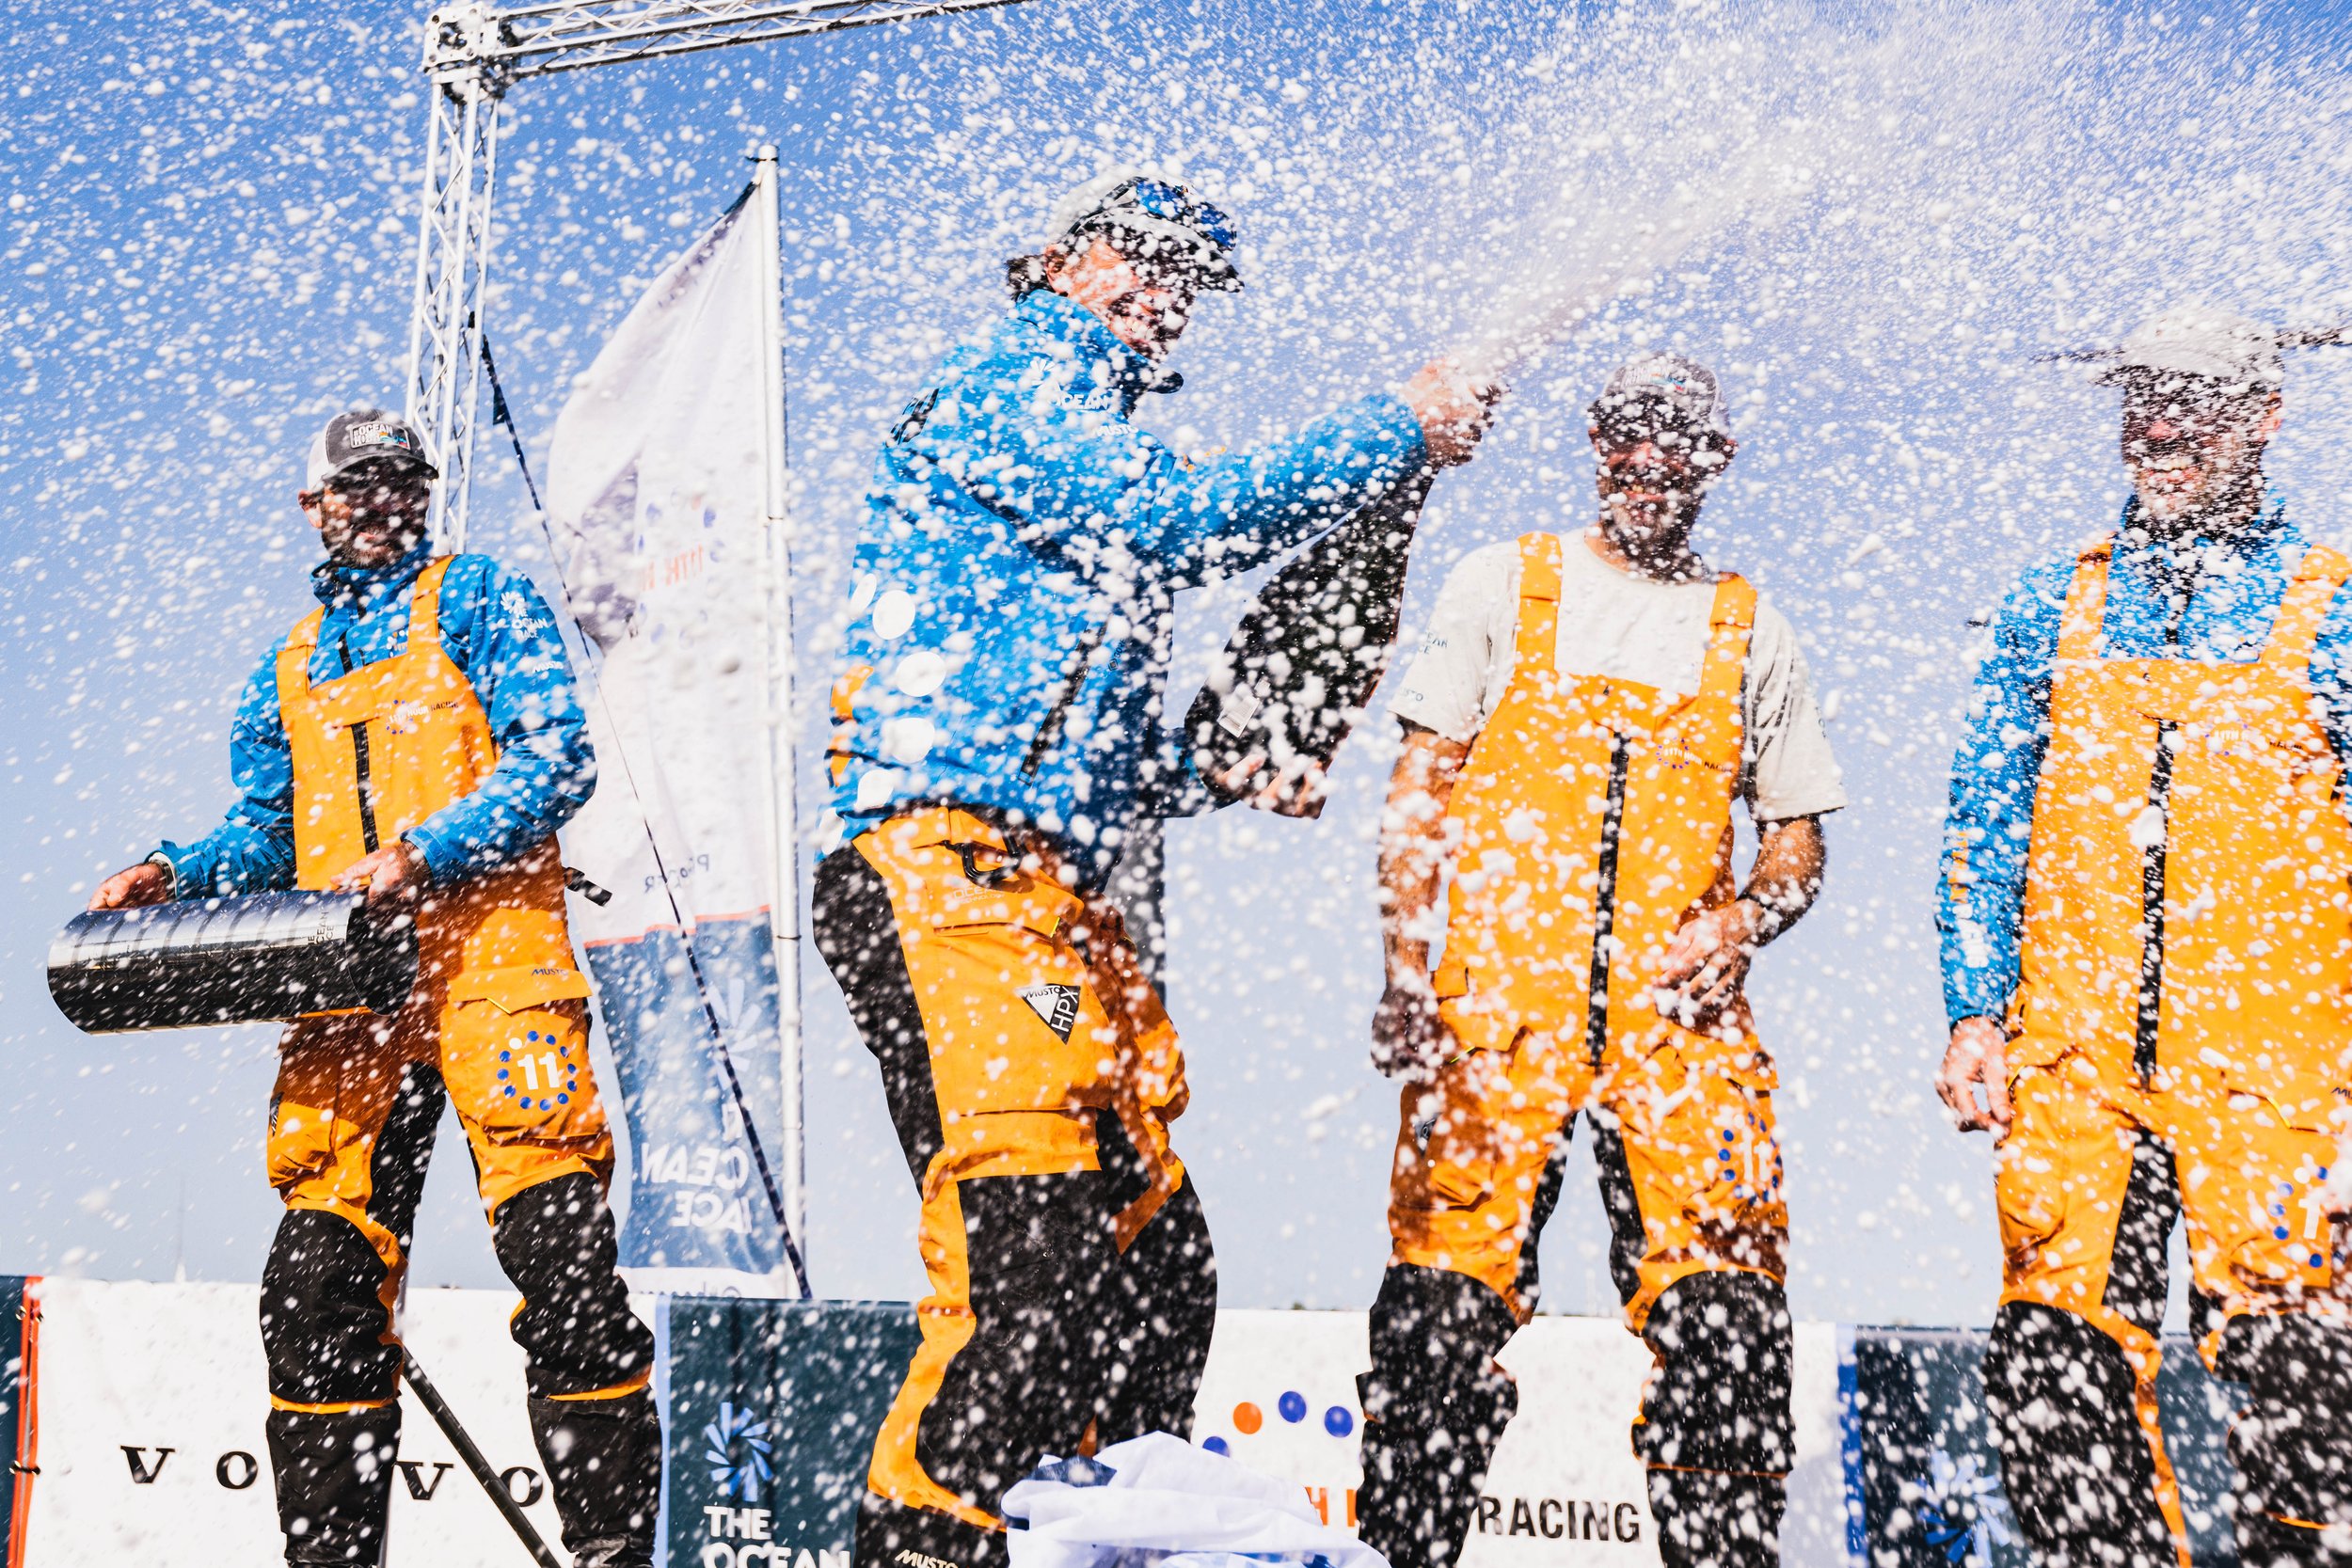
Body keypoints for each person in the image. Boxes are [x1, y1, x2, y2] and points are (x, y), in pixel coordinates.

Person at [812, 168, 1497, 1568]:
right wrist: (1394, 430)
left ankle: (1097, 1516)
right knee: (1031, 1236)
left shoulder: (1080, 476)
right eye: (1146, 255)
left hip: (1050, 920)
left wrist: (1216, 774)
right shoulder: (1006, 382)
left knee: (1153, 1242)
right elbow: (1192, 523)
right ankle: (926, 1535)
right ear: (1064, 256)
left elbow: (1097, 744)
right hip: (945, 880)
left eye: (1192, 275)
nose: (1167, 287)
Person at [89, 410, 658, 1568]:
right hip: (349, 992)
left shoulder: (480, 598)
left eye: (401, 479)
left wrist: (421, 853)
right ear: (314, 506)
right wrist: (171, 872)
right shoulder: (289, 662)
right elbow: (265, 831)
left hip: (494, 959)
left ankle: (609, 1548)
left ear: (425, 492)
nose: (380, 499)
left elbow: (556, 754)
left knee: (563, 1262)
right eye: (356, 484)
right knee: (314, 1285)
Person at [1359, 353, 1844, 1568]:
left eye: (1680, 440)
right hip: (1491, 1022)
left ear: (1715, 458)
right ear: (1595, 438)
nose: (1652, 461)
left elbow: (1795, 846)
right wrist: (1404, 972)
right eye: (1631, 435)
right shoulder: (1503, 583)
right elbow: (1418, 793)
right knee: (1434, 1326)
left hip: (1683, 1039)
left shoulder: (1754, 630)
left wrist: (1742, 922)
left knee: (1728, 1331)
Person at [1935, 305, 2352, 1568]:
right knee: (2050, 1393)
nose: (2162, 428)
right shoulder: (2052, 603)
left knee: (2305, 1413)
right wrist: (1972, 1005)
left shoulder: (2332, 609)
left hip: (2275, 1077)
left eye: (2198, 403)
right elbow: (1987, 818)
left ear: (2266, 418)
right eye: (2144, 402)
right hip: (2075, 1069)